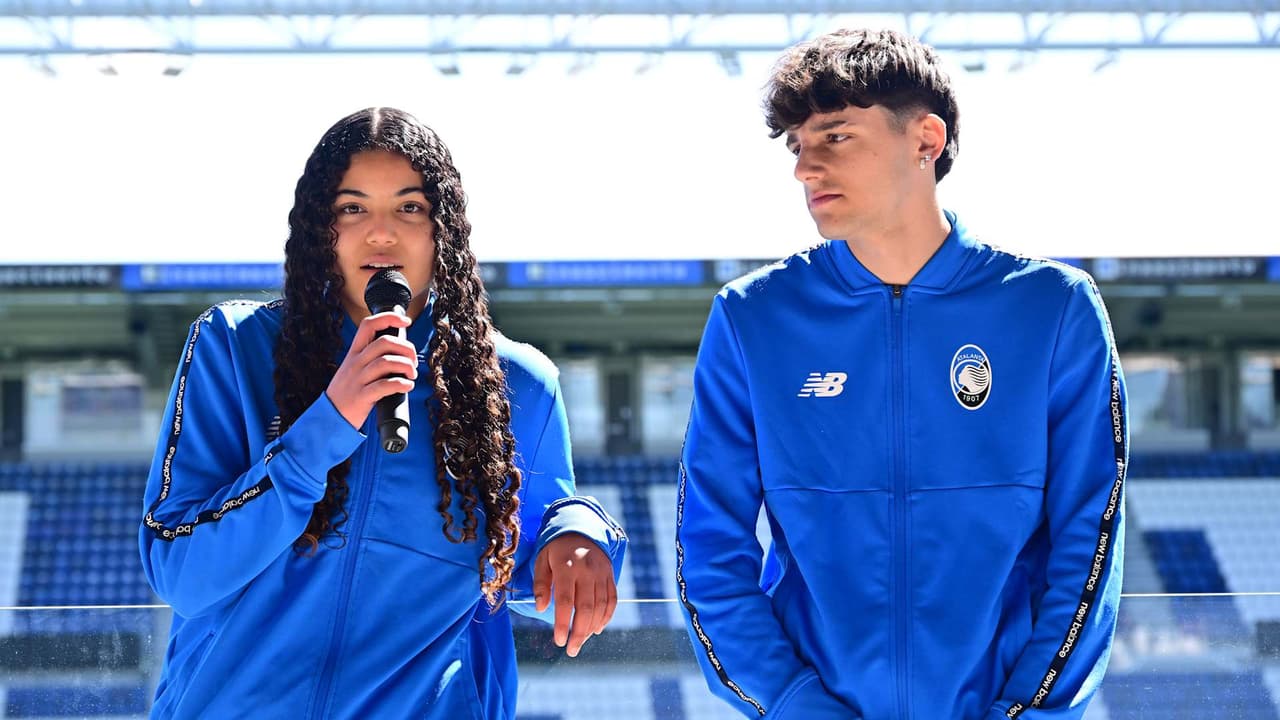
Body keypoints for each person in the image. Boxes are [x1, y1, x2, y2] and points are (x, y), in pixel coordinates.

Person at [676, 29, 1126, 720]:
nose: (804, 168)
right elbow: (708, 554)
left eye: (835, 137)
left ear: (926, 139)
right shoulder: (752, 320)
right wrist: (799, 707)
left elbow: (1089, 541)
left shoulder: (1055, 310)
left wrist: (1023, 712)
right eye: (798, 146)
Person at [139, 107, 627, 719]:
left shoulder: (518, 383)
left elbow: (533, 568)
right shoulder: (232, 347)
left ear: (441, 228)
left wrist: (580, 531)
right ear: (323, 229)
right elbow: (180, 570)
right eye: (352, 208)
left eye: (409, 208)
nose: (381, 234)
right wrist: (325, 427)